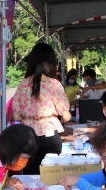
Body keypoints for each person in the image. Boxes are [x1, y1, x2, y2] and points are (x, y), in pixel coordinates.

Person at [11, 43, 71, 174]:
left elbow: (15, 116)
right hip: (50, 135)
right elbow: (66, 117)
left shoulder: (23, 84)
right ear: (51, 61)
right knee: (53, 176)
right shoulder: (54, 84)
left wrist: (30, 116)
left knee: (31, 177)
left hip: (28, 136)